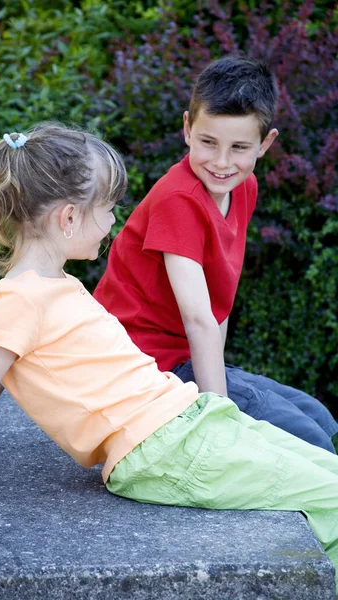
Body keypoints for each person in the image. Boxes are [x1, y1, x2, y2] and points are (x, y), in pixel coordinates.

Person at [0, 122, 338, 594]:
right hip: (162, 450)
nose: (113, 222)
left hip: (190, 420)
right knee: (329, 499)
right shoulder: (19, 300)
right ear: (68, 218)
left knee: (328, 472)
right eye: (107, 210)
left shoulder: (59, 287)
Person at [94, 55, 338, 453]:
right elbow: (197, 318)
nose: (222, 163)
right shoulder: (179, 199)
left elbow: (216, 305)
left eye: (239, 147)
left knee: (319, 418)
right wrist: (218, 413)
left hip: (184, 355)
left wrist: (221, 379)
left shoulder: (243, 188)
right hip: (144, 363)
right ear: (188, 128)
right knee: (307, 439)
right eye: (209, 142)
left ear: (265, 144)